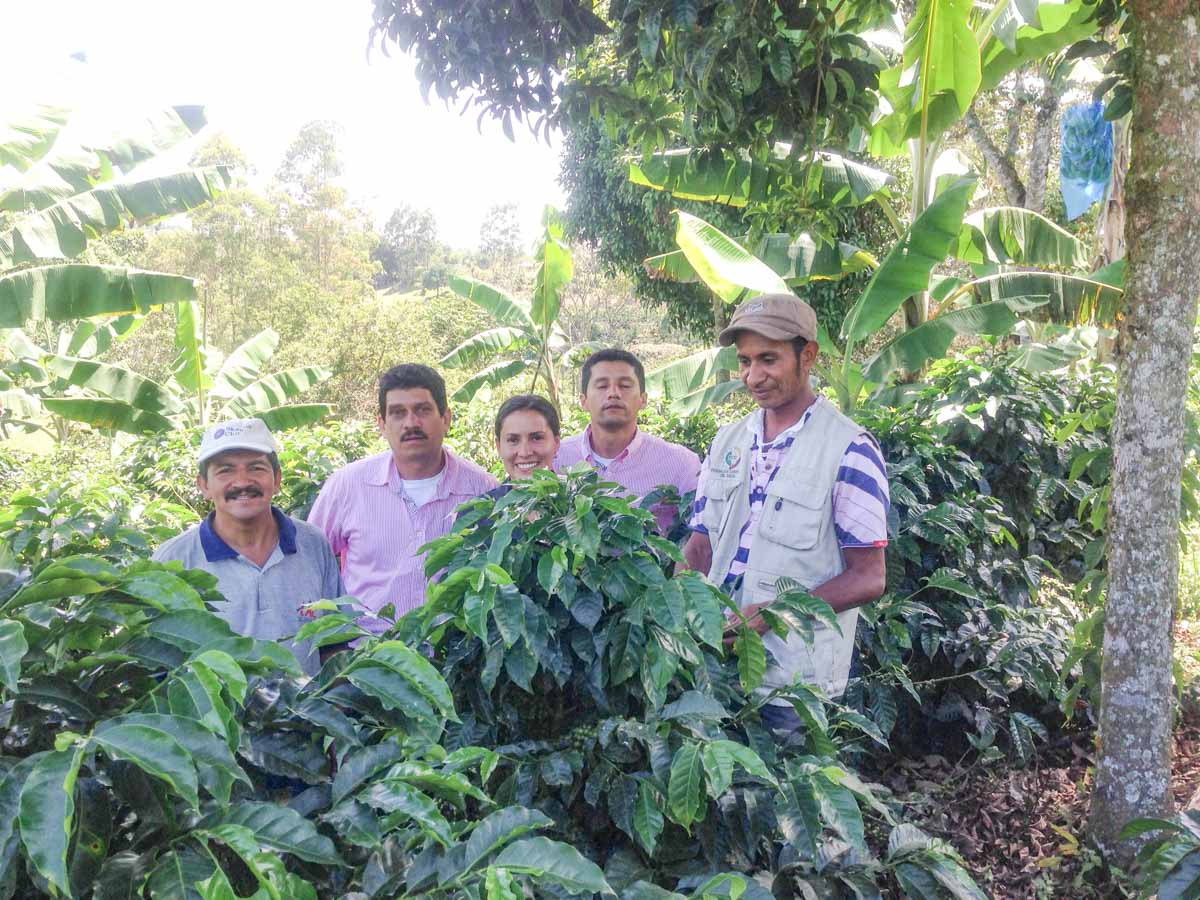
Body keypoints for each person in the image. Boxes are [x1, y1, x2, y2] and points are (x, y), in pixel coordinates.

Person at [683, 293, 889, 715]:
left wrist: (777, 611)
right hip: (714, 665)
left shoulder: (850, 449)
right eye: (744, 361)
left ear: (807, 355)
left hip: (792, 683)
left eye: (769, 359)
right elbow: (700, 545)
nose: (753, 376)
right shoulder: (728, 441)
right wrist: (678, 608)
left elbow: (869, 577)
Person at [308, 364, 497, 632]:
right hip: (366, 659)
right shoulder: (348, 485)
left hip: (455, 661)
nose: (411, 423)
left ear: (446, 418)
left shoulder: (482, 489)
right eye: (398, 413)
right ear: (382, 424)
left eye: (422, 410)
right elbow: (311, 560)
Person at [152, 418, 343, 676]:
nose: (242, 482)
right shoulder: (173, 560)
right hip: (216, 716)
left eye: (256, 468)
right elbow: (157, 665)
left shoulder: (312, 544)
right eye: (225, 470)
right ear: (204, 485)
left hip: (305, 713)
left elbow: (336, 641)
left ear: (276, 479)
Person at [554, 348, 699, 529]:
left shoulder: (681, 464)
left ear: (643, 399)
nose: (613, 393)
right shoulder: (556, 459)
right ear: (583, 401)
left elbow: (698, 538)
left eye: (624, 385)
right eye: (602, 386)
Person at [492, 393, 562, 491]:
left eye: (537, 438)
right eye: (513, 440)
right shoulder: (486, 506)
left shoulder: (578, 503)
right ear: (499, 447)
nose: (524, 453)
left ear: (556, 443)